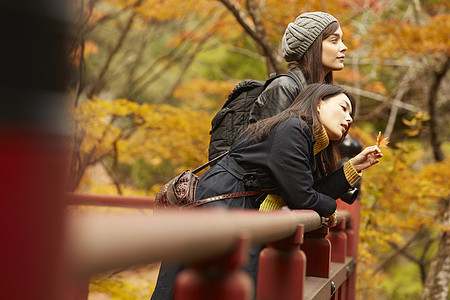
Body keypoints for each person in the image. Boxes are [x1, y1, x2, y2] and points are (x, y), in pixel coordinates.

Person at [151, 84, 383, 299]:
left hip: (236, 201)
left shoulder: (304, 136)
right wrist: (329, 208)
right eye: (343, 108)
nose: (349, 118)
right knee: (209, 284)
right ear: (319, 102)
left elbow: (307, 191)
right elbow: (301, 196)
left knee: (209, 283)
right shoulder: (295, 128)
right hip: (226, 200)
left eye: (350, 114)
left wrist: (354, 167)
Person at [249, 11, 348, 122]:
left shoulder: (324, 94)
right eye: (334, 40)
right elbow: (272, 138)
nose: (344, 47)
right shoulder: (284, 88)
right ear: (312, 46)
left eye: (342, 40)